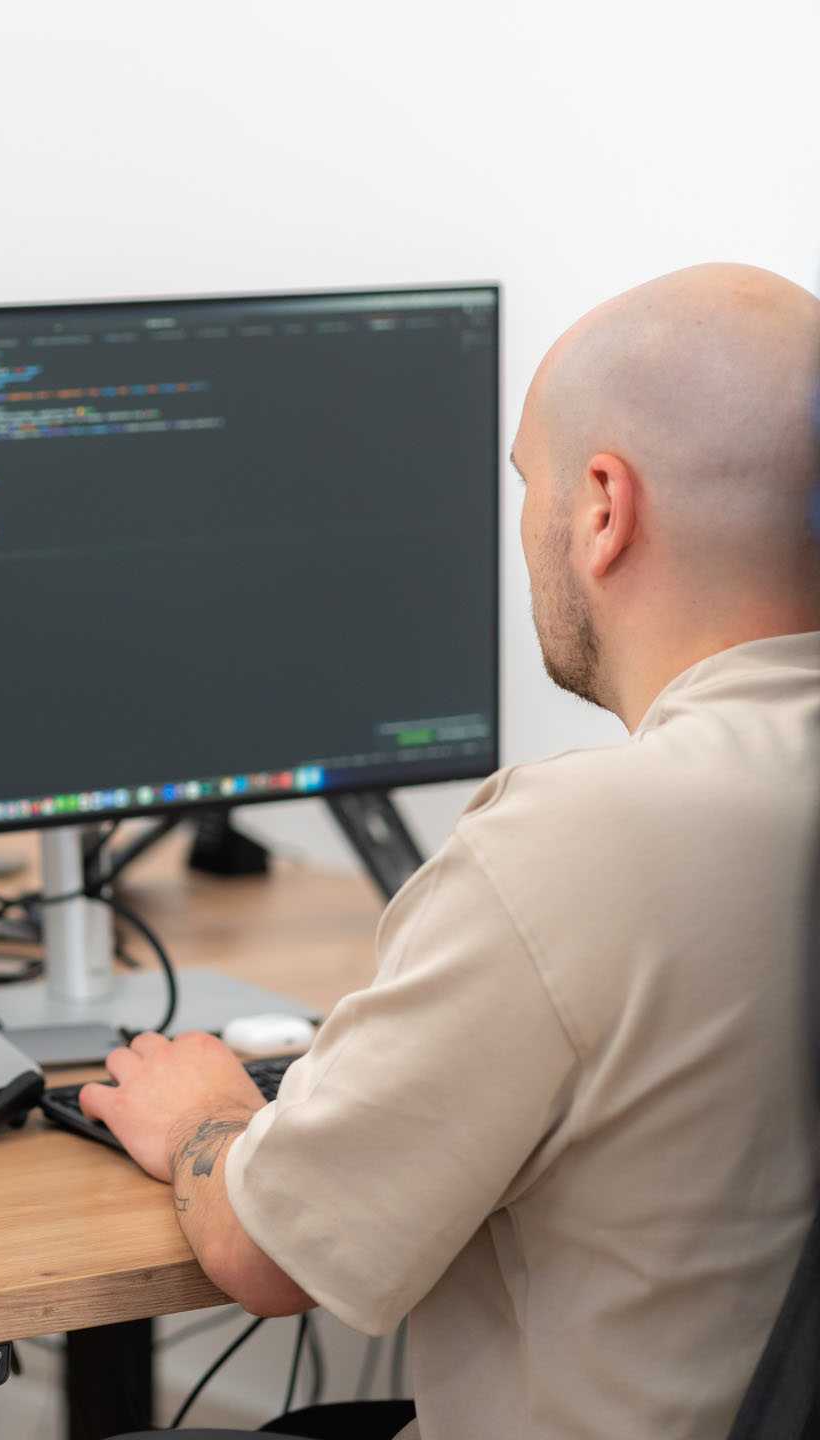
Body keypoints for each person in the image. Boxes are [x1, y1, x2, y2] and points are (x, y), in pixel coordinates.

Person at [82, 263, 820, 1439]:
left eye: (527, 484)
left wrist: (208, 1119)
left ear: (602, 507)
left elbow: (267, 1256)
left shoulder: (582, 841)